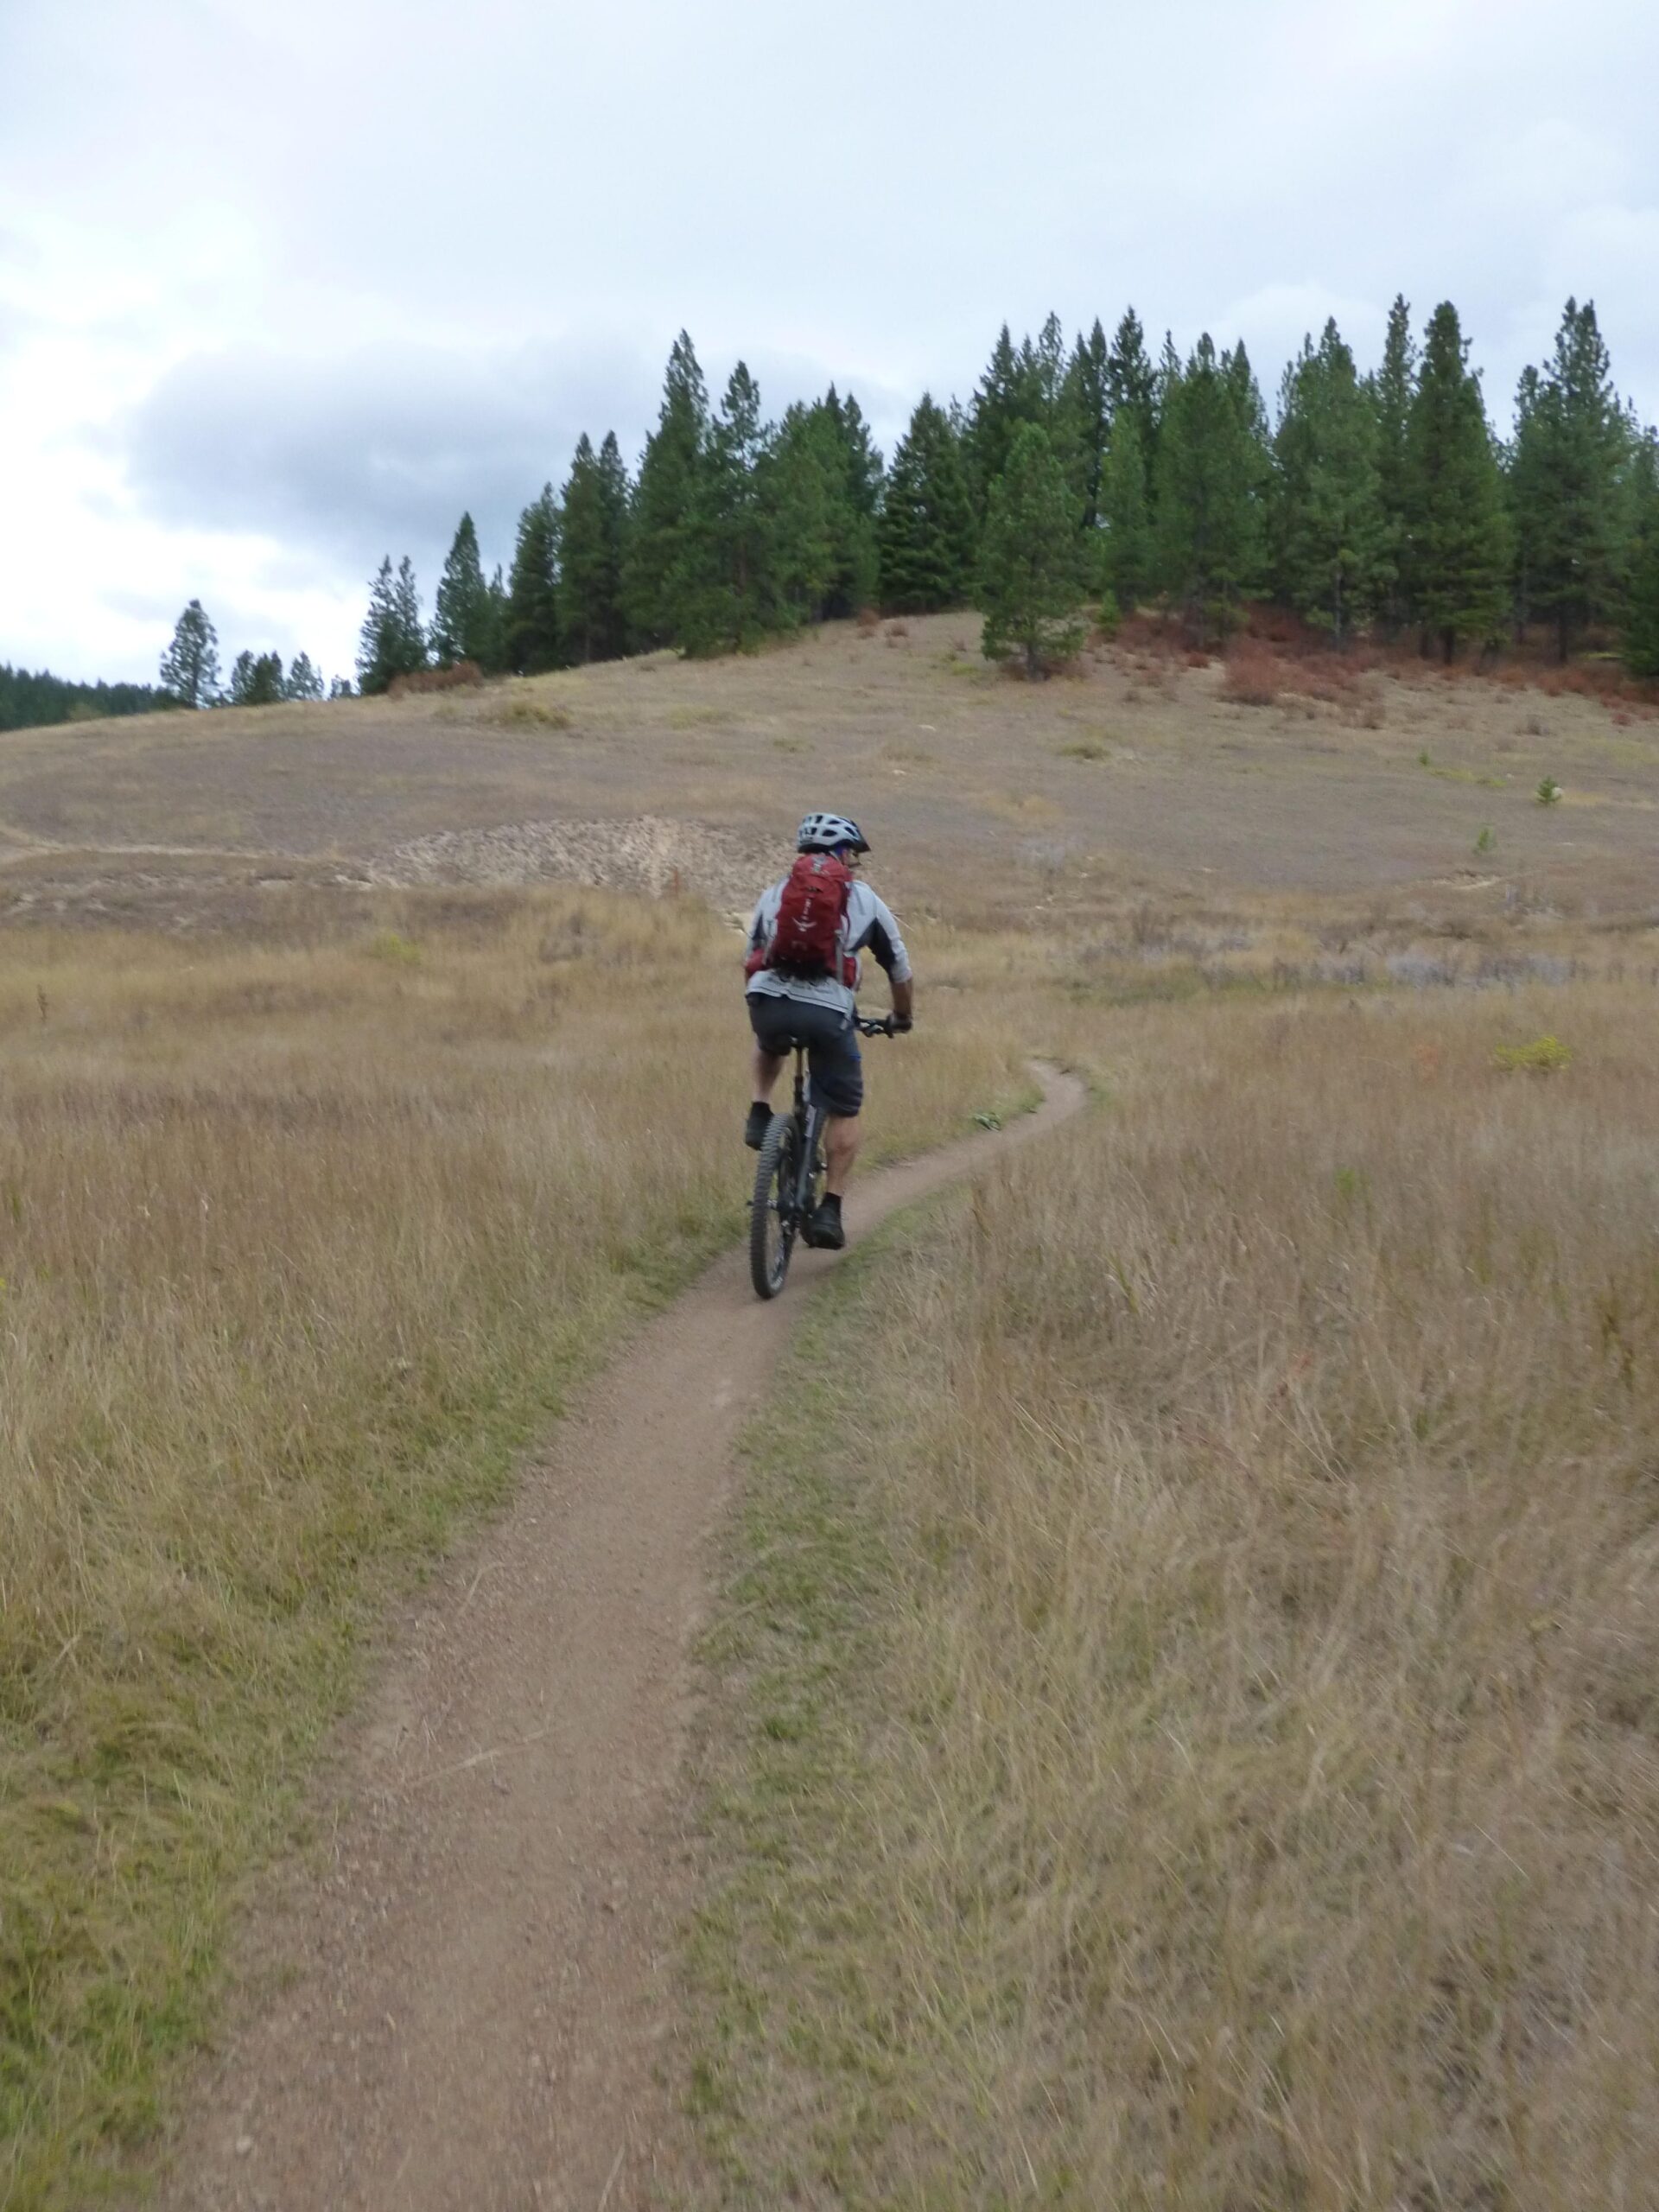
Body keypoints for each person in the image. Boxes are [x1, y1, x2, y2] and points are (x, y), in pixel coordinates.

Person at [743, 811, 914, 1251]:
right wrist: (901, 1016)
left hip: (768, 1004)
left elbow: (753, 955)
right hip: (827, 1014)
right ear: (841, 853)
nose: (852, 866)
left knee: (769, 1040)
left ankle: (760, 1110)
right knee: (844, 1105)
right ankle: (830, 1210)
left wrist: (766, 1004)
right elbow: (898, 965)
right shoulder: (864, 899)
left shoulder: (775, 893)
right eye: (852, 857)